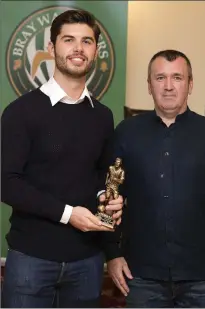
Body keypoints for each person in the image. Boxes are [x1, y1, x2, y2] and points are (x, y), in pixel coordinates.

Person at [1, 9, 123, 308]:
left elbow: (101, 177)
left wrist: (109, 199)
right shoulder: (21, 112)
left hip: (87, 263)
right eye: (69, 40)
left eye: (87, 41)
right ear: (51, 48)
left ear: (96, 50)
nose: (78, 48)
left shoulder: (103, 116)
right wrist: (69, 215)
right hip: (31, 261)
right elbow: (6, 183)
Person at [106, 50, 205, 308]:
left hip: (204, 279)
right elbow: (109, 197)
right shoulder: (126, 132)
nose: (168, 86)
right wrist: (113, 255)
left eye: (177, 78)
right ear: (149, 86)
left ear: (190, 84)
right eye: (160, 78)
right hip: (142, 277)